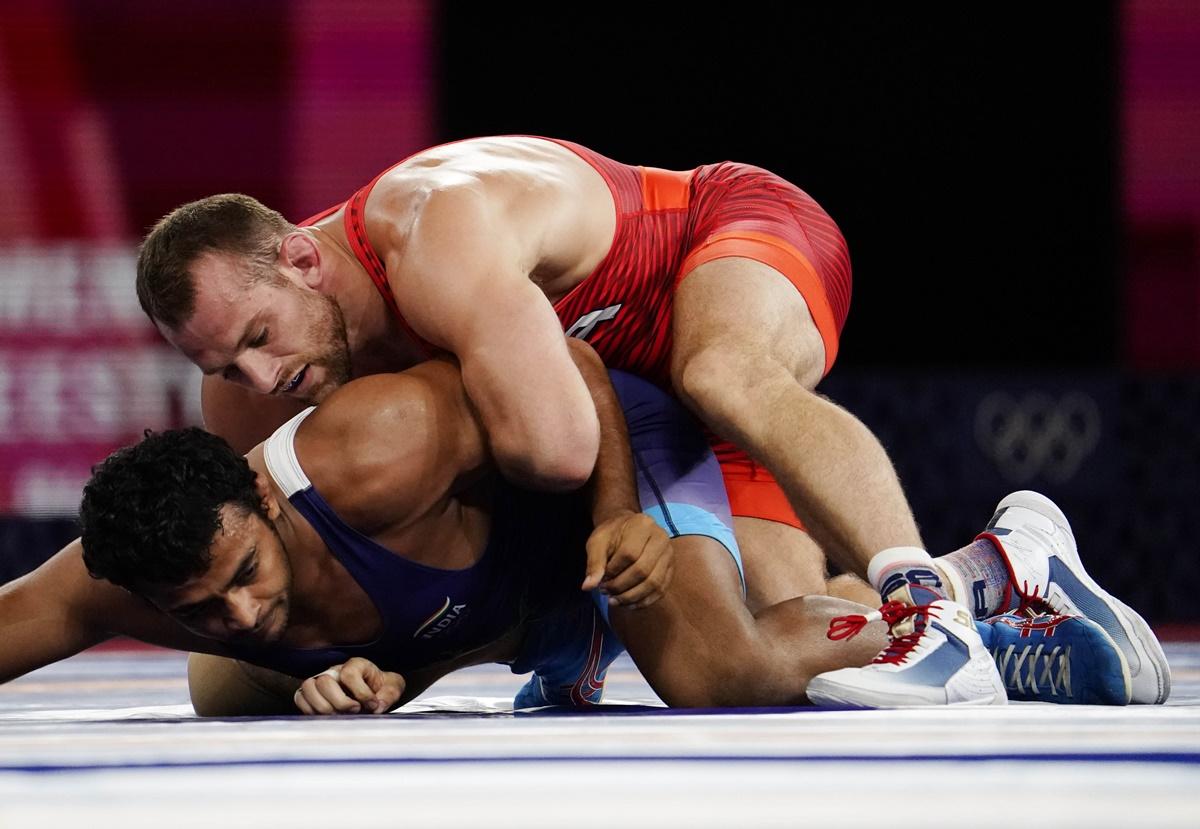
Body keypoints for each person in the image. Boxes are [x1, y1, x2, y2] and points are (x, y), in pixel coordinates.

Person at [133, 137, 1168, 706]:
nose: (263, 377)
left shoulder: (430, 230)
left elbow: (556, 440)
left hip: (709, 254)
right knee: (763, 645)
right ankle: (997, 577)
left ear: (305, 259)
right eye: (225, 363)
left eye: (262, 336)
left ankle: (922, 599)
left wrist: (535, 585)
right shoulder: (250, 387)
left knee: (721, 371)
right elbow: (287, 579)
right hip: (625, 399)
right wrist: (345, 664)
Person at [0, 342, 1133, 712]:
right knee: (228, 687)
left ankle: (989, 570)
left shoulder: (373, 443)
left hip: (610, 462)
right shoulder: (128, 577)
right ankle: (573, 636)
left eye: (244, 570)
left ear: (261, 496)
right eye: (198, 605)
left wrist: (613, 515)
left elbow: (568, 361)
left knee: (723, 668)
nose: (240, 609)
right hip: (510, 588)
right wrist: (352, 674)